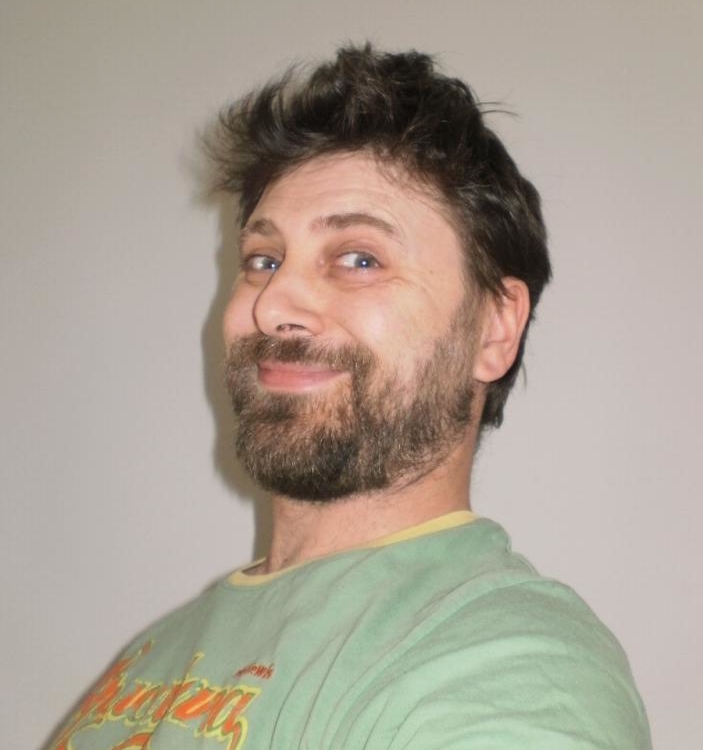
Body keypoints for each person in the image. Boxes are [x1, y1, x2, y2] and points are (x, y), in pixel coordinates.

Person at [49, 45, 651, 749]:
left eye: (359, 259)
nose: (274, 304)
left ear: (495, 327)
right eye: (263, 260)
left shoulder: (515, 664)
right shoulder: (153, 653)